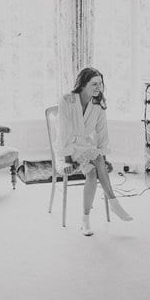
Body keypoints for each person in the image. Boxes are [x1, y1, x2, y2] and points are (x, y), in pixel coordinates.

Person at [58, 67, 133, 236]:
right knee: (97, 157)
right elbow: (63, 132)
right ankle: (114, 202)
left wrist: (104, 158)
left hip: (87, 147)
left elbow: (102, 133)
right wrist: (68, 159)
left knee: (93, 173)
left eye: (100, 83)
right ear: (83, 84)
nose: (98, 87)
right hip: (68, 149)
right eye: (94, 83)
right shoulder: (67, 100)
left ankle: (85, 221)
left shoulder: (98, 104)